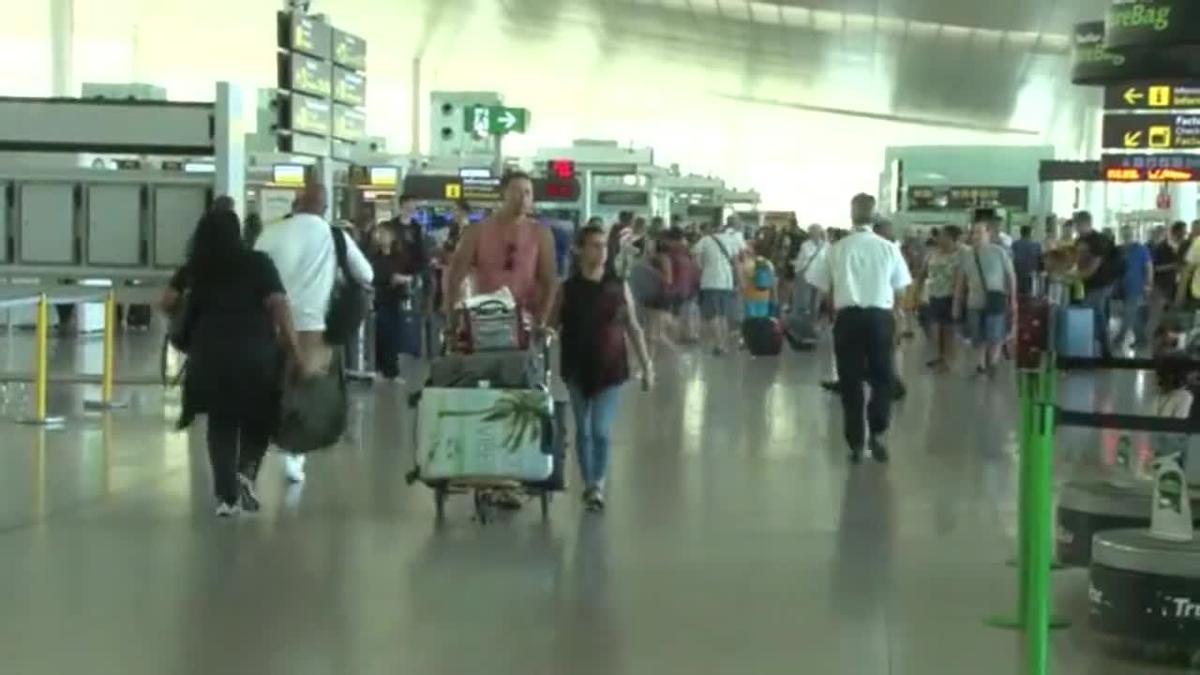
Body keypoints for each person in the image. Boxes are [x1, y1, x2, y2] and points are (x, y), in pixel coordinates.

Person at [163, 209, 308, 517]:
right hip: (254, 353)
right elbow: (278, 305)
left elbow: (166, 302)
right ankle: (246, 471)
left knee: (221, 423)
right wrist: (295, 350)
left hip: (208, 355)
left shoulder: (197, 269)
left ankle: (226, 497)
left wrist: (180, 318)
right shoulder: (257, 263)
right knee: (260, 416)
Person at [255, 183, 373, 484]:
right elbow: (366, 275)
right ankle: (295, 455)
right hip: (313, 326)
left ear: (296, 204)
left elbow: (253, 269)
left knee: (269, 386)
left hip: (269, 322)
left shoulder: (271, 232)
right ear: (324, 208)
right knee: (306, 391)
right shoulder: (333, 235)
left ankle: (259, 446)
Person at [551, 224, 653, 511]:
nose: (601, 252)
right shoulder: (567, 289)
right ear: (579, 250)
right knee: (582, 430)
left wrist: (647, 366)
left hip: (611, 367)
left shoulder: (618, 287)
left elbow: (633, 327)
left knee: (601, 431)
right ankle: (589, 484)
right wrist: (539, 337)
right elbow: (551, 324)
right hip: (576, 366)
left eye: (603, 246)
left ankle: (598, 483)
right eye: (594, 245)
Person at [807, 193, 911, 464]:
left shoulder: (838, 248)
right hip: (880, 317)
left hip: (849, 317)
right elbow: (900, 289)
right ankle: (877, 431)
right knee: (883, 377)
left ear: (852, 213)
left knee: (850, 380)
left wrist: (834, 310)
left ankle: (855, 442)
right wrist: (897, 319)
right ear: (873, 213)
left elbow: (822, 285)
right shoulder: (888, 248)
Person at [444, 171, 558, 329]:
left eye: (527, 192)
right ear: (503, 194)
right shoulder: (477, 232)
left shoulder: (541, 234)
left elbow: (549, 281)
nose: (523, 198)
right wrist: (452, 322)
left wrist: (542, 319)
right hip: (485, 318)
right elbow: (454, 278)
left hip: (525, 319)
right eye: (517, 191)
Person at [954, 220, 1017, 377]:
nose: (975, 236)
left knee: (995, 334)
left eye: (979, 232)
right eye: (973, 233)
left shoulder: (999, 252)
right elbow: (961, 281)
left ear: (989, 233)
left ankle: (993, 363)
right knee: (977, 335)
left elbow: (1011, 276)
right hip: (974, 301)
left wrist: (1013, 299)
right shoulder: (967, 255)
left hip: (996, 299)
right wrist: (957, 302)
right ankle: (981, 364)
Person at [369, 225, 417, 380]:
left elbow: (413, 275)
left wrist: (404, 279)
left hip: (395, 299)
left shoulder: (400, 257)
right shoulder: (372, 257)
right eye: (379, 234)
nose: (381, 237)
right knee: (382, 334)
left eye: (384, 234)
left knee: (394, 335)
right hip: (379, 299)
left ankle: (390, 370)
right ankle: (381, 368)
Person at [691, 220, 745, 355]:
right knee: (723, 315)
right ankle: (724, 344)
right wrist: (740, 281)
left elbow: (694, 255)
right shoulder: (731, 240)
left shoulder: (705, 240)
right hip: (727, 282)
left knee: (712, 315)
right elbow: (737, 263)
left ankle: (719, 344)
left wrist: (701, 267)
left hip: (710, 281)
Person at [1075, 227, 1121, 358]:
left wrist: (1077, 275)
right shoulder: (1083, 240)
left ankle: (1102, 348)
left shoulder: (1097, 242)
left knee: (1093, 312)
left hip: (1101, 283)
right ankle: (1100, 348)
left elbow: (1094, 265)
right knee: (1098, 313)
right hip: (1096, 283)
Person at [922, 225, 963, 372]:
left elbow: (961, 279)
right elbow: (924, 272)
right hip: (934, 295)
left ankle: (948, 360)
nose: (939, 238)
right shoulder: (933, 254)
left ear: (953, 238)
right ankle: (940, 356)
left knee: (948, 329)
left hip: (950, 296)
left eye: (943, 235)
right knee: (937, 328)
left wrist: (958, 300)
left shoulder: (960, 255)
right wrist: (917, 291)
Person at [1115, 226, 1153, 351]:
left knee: (1129, 313)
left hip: (1137, 286)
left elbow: (1149, 267)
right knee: (1134, 314)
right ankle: (1141, 339)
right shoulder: (1120, 250)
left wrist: (1148, 284)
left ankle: (1119, 338)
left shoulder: (1141, 249)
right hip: (1123, 287)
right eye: (1125, 234)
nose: (1127, 237)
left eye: (1129, 234)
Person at [1010, 225, 1042, 296]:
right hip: (1031, 274)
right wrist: (1039, 271)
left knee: (1018, 294)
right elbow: (1040, 260)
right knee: (1030, 294)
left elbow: (1011, 258)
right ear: (1030, 233)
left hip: (1018, 273)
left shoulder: (1015, 244)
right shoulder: (1036, 245)